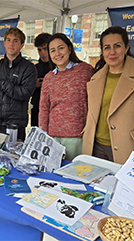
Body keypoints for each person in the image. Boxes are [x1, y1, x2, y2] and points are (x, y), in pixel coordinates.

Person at [82, 26, 134, 164]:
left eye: (117, 46)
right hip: (95, 147)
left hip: (128, 147)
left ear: (126, 47)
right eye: (107, 47)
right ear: (102, 51)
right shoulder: (96, 78)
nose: (112, 52)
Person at [39, 33, 94, 161]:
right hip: (53, 137)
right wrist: (44, 134)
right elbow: (44, 108)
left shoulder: (85, 71)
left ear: (69, 48)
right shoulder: (49, 77)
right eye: (52, 50)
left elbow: (93, 102)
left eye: (61, 48)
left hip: (77, 136)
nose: (57, 53)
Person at [0, 27, 37, 141]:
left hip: (15, 125)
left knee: (13, 157)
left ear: (22, 45)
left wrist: (2, 84)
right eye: (8, 40)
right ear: (4, 43)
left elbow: (25, 93)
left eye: (15, 41)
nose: (11, 44)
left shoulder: (29, 68)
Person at [30, 32, 54, 127]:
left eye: (45, 49)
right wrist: (34, 86)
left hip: (53, 110)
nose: (42, 53)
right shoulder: (34, 68)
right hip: (37, 108)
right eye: (39, 50)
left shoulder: (58, 68)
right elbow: (25, 92)